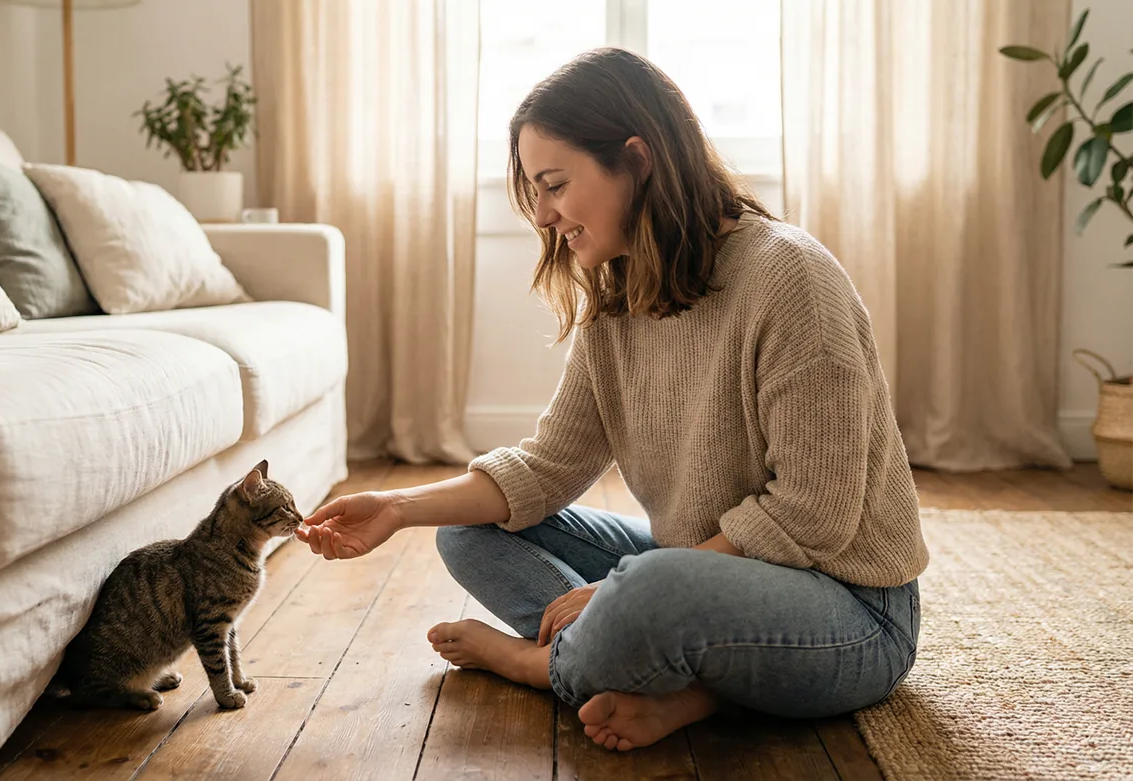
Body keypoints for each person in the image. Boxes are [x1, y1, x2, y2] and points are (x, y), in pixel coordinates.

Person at [295, 47, 928, 753]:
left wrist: (620, 594)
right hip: (694, 574)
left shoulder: (790, 278)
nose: (543, 214)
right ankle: (685, 685)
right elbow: (546, 467)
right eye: (537, 191)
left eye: (555, 184)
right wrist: (398, 507)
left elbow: (813, 515)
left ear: (636, 159)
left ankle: (543, 665)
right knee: (464, 531)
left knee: (650, 589)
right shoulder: (619, 300)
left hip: (850, 611)